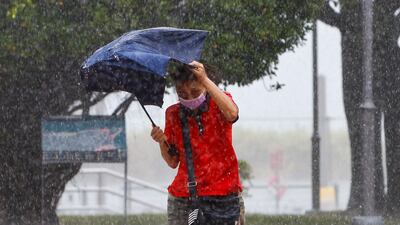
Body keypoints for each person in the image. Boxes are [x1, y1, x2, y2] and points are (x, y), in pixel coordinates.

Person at [150, 61, 245, 225]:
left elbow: (232, 114)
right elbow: (173, 161)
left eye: (195, 91)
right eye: (182, 94)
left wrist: (205, 79)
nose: (190, 97)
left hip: (225, 195)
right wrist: (161, 141)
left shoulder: (219, 104)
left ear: (205, 87)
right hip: (185, 197)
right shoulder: (173, 114)